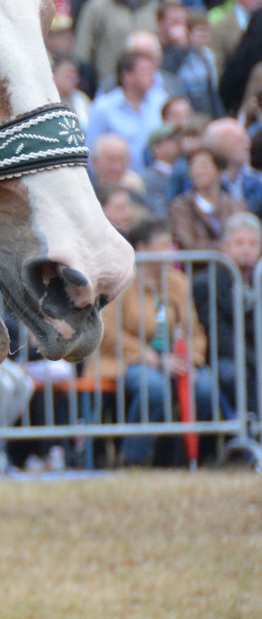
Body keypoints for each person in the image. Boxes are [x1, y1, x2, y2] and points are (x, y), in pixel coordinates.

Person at [89, 218, 220, 466]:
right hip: (126, 360)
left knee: (204, 388)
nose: (171, 251)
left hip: (174, 360)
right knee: (154, 387)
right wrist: (153, 358)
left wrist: (190, 360)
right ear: (142, 248)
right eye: (163, 245)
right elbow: (108, 333)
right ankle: (131, 459)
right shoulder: (119, 281)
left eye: (172, 244)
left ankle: (178, 461)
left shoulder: (178, 282)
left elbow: (194, 330)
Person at [192, 212, 262, 417]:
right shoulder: (207, 282)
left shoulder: (258, 280)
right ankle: (249, 427)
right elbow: (220, 337)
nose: (246, 249)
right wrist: (254, 359)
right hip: (223, 357)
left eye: (253, 244)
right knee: (234, 373)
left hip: (253, 353)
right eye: (239, 243)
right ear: (225, 246)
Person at [76, 0, 161, 91]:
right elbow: (82, 51)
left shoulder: (152, 4)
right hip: (111, 86)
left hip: (150, 86)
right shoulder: (98, 5)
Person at [84, 49, 166, 169]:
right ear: (127, 76)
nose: (152, 76)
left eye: (152, 71)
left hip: (155, 176)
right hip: (117, 176)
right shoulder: (104, 107)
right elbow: (91, 150)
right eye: (145, 71)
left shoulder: (161, 102)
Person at [167, 146, 245, 250]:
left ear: (218, 170)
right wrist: (228, 247)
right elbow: (187, 242)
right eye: (194, 167)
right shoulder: (181, 206)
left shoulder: (235, 205)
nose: (198, 172)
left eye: (203, 166)